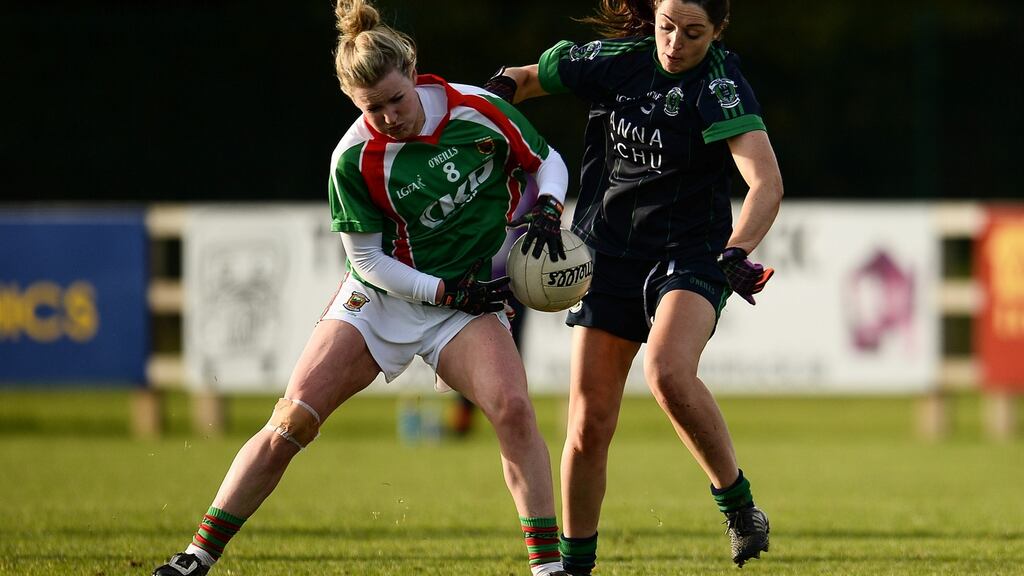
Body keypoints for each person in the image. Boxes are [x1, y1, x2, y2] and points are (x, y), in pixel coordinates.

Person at [151, 1, 574, 574]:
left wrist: (548, 209)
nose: (389, 116)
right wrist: (444, 292)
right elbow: (369, 261)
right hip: (382, 301)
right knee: (292, 421)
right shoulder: (353, 157)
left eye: (396, 100)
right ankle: (196, 556)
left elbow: (547, 161)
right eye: (372, 108)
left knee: (514, 410)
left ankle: (548, 569)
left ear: (414, 72)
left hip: (463, 303)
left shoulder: (478, 108)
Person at [484, 0, 783, 572]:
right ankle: (574, 567)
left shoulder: (719, 86)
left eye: (694, 33)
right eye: (666, 26)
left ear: (718, 30)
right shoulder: (615, 61)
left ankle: (739, 506)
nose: (675, 43)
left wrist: (736, 250)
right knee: (588, 425)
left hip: (694, 255)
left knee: (667, 372)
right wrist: (476, 114)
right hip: (607, 255)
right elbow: (519, 81)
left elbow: (765, 183)